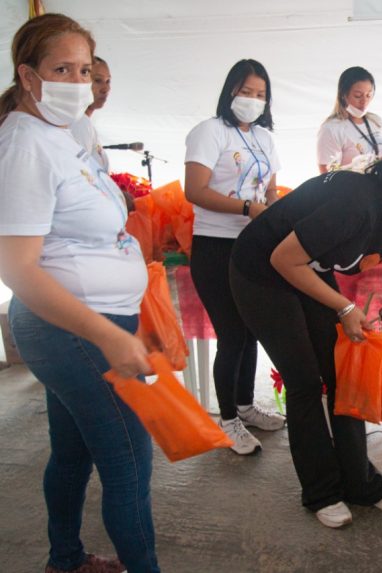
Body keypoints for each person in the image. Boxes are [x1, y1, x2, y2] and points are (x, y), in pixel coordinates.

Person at [229, 151, 382, 528]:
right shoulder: (357, 204)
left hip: (305, 269)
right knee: (304, 381)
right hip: (261, 272)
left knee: (342, 373)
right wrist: (345, 308)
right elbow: (283, 260)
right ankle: (321, 492)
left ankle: (361, 484)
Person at [0, 13, 159, 572]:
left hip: (94, 321)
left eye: (85, 70)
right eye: (61, 69)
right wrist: (105, 336)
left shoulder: (65, 133)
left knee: (72, 451)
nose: (78, 82)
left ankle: (65, 559)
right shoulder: (23, 145)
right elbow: (17, 270)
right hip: (68, 327)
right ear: (28, 75)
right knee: (129, 461)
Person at [184, 59, 284, 455]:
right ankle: (227, 420)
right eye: (247, 92)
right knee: (231, 335)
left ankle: (245, 406)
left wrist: (273, 216)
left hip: (253, 245)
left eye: (261, 95)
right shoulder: (210, 132)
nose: (253, 100)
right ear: (230, 92)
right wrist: (247, 209)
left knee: (251, 331)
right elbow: (195, 190)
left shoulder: (265, 138)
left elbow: (271, 191)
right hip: (215, 244)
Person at [317, 66, 382, 173]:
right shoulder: (331, 129)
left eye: (369, 95)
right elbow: (327, 174)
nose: (364, 101)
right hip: (353, 188)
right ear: (343, 95)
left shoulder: (375, 121)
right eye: (358, 96)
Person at [70, 56, 110, 171]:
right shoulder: (79, 122)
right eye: (98, 80)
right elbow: (80, 174)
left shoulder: (85, 122)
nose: (106, 88)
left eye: (108, 81)